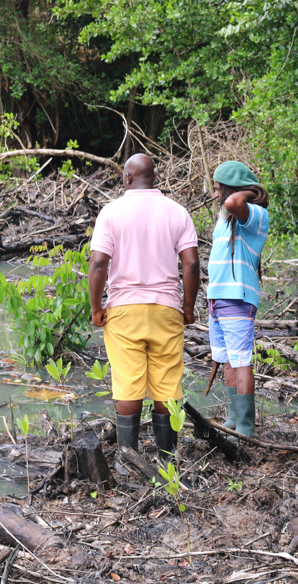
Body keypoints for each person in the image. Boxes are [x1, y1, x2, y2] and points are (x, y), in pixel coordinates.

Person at [88, 154, 200, 461]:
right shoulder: (177, 212)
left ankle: (129, 460)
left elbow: (99, 263)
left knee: (128, 385)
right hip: (166, 308)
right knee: (167, 385)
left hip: (123, 309)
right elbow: (190, 264)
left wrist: (96, 309)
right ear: (155, 179)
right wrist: (187, 308)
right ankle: (167, 461)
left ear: (126, 178)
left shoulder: (111, 212)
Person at [206, 161, 270, 438]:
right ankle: (233, 418)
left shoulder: (254, 214)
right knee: (228, 360)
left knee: (241, 360)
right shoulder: (225, 220)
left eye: (220, 189)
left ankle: (246, 426)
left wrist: (252, 193)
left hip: (237, 298)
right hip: (218, 297)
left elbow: (234, 203)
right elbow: (229, 204)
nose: (217, 195)